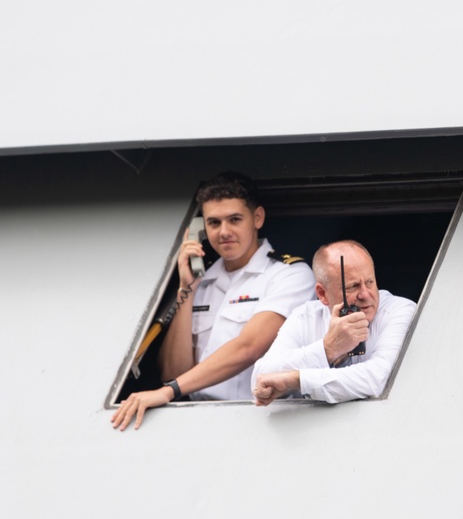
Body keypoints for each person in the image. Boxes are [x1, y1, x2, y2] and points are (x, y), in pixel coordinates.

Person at [111, 172, 316, 430]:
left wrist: (169, 391)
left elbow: (248, 347)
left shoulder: (289, 274)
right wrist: (187, 290)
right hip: (197, 419)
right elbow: (173, 372)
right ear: (202, 229)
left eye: (234, 219)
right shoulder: (202, 281)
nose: (224, 232)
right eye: (214, 223)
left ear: (257, 218)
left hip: (262, 421)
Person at [251, 240, 416, 405]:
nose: (365, 295)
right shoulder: (305, 316)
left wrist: (298, 379)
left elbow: (377, 379)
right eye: (353, 286)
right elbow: (260, 381)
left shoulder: (399, 310)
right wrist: (328, 348)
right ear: (322, 294)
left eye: (370, 282)